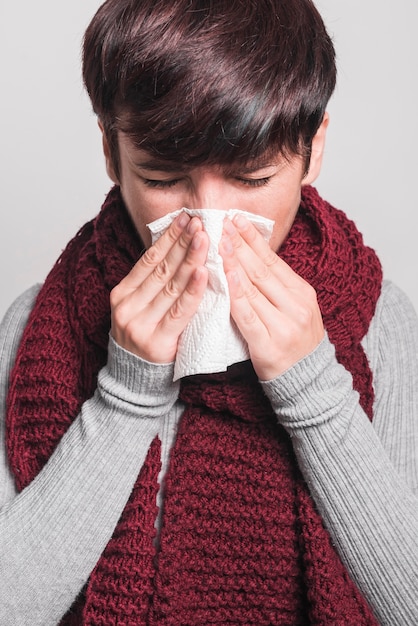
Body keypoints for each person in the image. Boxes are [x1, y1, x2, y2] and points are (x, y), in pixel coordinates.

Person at [0, 0, 417, 624]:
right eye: (164, 178)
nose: (207, 225)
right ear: (113, 156)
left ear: (312, 149)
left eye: (251, 179)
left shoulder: (377, 318)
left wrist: (316, 394)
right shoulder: (39, 323)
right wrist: (125, 394)